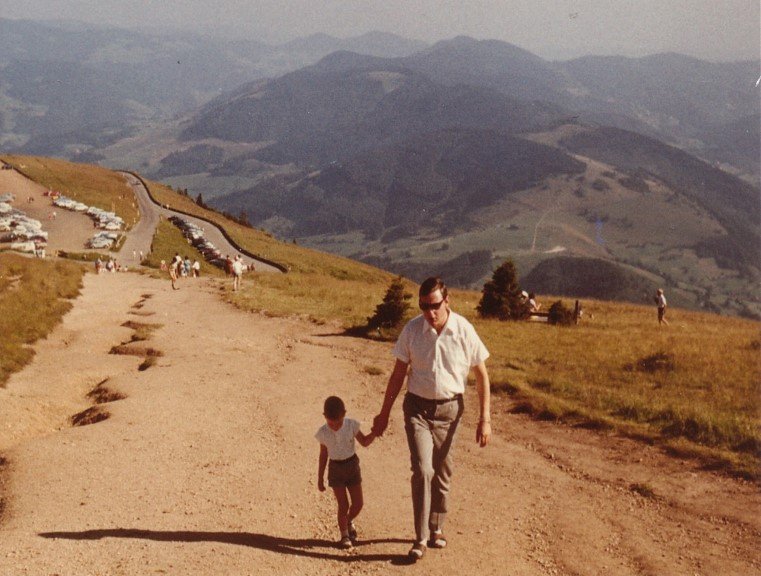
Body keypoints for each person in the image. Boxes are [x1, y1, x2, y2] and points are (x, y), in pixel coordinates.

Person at [372, 276, 491, 561]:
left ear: (447, 301)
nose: (430, 312)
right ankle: (421, 538)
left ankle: (436, 527)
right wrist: (383, 414)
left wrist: (485, 418)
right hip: (418, 411)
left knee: (443, 473)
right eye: (424, 306)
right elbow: (398, 374)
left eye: (435, 305)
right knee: (423, 470)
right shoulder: (413, 330)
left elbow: (482, 376)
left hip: (450, 412)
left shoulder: (463, 330)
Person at [316, 396, 375, 549]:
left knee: (358, 503)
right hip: (335, 470)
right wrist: (320, 478)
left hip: (352, 466)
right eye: (331, 423)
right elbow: (323, 455)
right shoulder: (323, 432)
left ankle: (348, 520)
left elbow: (364, 442)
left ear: (344, 414)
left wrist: (375, 432)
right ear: (324, 416)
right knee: (343, 504)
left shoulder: (351, 425)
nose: (335, 426)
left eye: (338, 422)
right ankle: (344, 535)